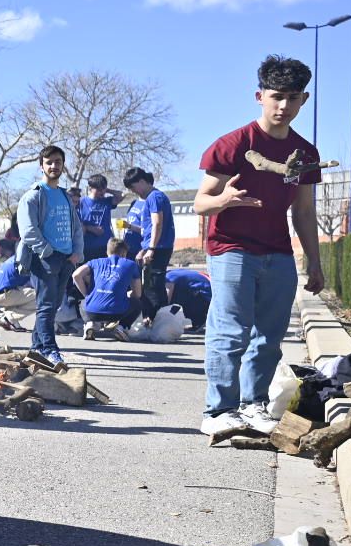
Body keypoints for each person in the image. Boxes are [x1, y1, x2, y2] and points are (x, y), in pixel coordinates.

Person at [193, 54, 323, 437]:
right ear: (259, 96)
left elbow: (303, 210)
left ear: (304, 99)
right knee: (231, 330)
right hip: (231, 247)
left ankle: (253, 406)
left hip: (278, 251)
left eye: (293, 98)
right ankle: (218, 411)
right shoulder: (233, 145)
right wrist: (224, 201)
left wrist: (313, 262)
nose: (283, 106)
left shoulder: (305, 153)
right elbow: (201, 202)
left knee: (270, 334)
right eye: (276, 96)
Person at [16, 145, 84, 371]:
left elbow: (76, 227)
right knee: (46, 306)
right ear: (41, 166)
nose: (54, 166)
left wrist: (77, 252)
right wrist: (46, 251)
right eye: (49, 162)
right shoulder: (34, 195)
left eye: (58, 162)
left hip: (66, 258)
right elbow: (28, 230)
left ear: (63, 165)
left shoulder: (65, 195)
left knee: (53, 305)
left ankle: (36, 348)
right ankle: (48, 349)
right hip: (44, 258)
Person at [123, 166, 174, 320]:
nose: (133, 191)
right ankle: (150, 319)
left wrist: (151, 248)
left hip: (159, 248)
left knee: (153, 287)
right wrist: (144, 249)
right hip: (151, 247)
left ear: (142, 181)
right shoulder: (151, 198)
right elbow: (148, 228)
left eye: (133, 187)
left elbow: (157, 223)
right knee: (148, 286)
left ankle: (158, 321)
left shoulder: (155, 197)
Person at [72, 238, 142, 340]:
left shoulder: (95, 262)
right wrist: (129, 294)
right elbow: (138, 294)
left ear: (107, 251)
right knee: (137, 303)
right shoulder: (131, 264)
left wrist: (87, 295)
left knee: (83, 302)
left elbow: (76, 275)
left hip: (93, 312)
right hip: (117, 312)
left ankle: (90, 323)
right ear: (123, 253)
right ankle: (121, 327)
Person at [0, 257, 35, 332]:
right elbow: (36, 283)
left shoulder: (14, 258)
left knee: (24, 294)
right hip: (3, 295)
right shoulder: (26, 262)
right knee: (42, 297)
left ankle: (6, 316)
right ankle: (8, 317)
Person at [79, 174, 116, 264]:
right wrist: (90, 228)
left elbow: (122, 195)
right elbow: (77, 223)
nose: (102, 192)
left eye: (103, 189)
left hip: (106, 247)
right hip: (87, 247)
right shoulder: (81, 202)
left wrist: (107, 189)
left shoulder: (107, 201)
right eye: (99, 190)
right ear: (91, 188)